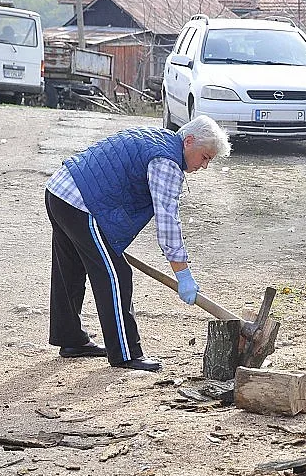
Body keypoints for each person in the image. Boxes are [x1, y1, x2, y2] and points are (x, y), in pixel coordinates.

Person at [45, 116, 231, 372]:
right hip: (82, 203)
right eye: (205, 157)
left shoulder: (159, 139)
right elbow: (167, 221)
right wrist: (183, 274)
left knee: (71, 268)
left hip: (60, 190)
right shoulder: (167, 161)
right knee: (115, 275)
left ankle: (71, 339)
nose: (204, 166)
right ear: (189, 141)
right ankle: (126, 353)